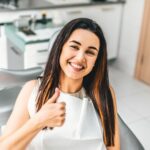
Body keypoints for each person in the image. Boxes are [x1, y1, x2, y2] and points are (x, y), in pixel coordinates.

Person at [0, 18, 120, 150]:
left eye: (90, 52)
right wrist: (38, 121)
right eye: (74, 47)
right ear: (60, 48)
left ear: (96, 61)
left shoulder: (103, 93)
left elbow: (112, 146)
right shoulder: (32, 89)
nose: (80, 58)